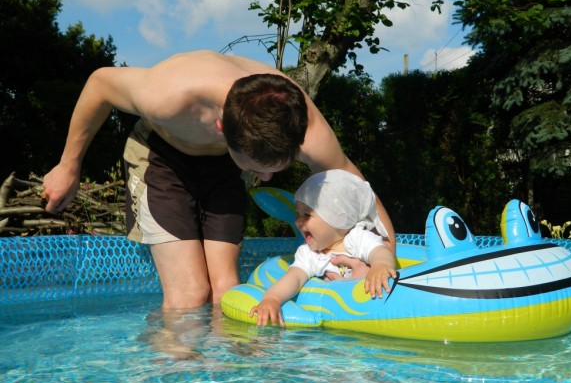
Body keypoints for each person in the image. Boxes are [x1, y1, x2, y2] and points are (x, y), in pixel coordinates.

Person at [42, 50, 396, 310]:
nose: (267, 178)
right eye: (259, 168)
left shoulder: (301, 123)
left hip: (225, 167)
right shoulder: (169, 96)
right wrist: (69, 165)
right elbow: (100, 82)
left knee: (228, 290)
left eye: (276, 168)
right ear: (222, 128)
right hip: (161, 158)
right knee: (190, 294)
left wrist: (383, 260)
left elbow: (357, 189)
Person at [250, 170, 398, 327]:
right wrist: (272, 299)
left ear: (338, 217)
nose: (297, 221)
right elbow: (294, 277)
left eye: (306, 215)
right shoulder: (309, 253)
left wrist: (380, 265)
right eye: (297, 213)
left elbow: (379, 252)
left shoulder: (357, 238)